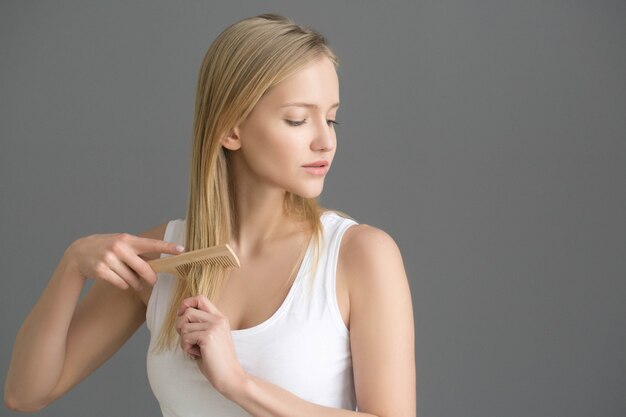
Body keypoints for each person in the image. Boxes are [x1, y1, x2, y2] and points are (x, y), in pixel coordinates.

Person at [4, 13, 415, 417]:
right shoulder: (161, 261)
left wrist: (239, 385)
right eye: (298, 119)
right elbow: (26, 394)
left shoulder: (360, 256)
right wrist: (72, 264)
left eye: (331, 118)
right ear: (230, 129)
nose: (325, 141)